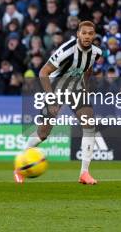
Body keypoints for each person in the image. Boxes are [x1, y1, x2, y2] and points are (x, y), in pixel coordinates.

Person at [20, 21, 103, 185]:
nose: (87, 36)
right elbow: (43, 72)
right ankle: (21, 163)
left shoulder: (96, 53)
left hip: (76, 89)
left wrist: (85, 88)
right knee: (43, 134)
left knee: (89, 125)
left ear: (94, 36)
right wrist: (51, 98)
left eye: (90, 33)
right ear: (78, 34)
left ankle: (84, 173)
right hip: (56, 89)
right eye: (84, 33)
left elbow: (88, 69)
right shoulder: (67, 51)